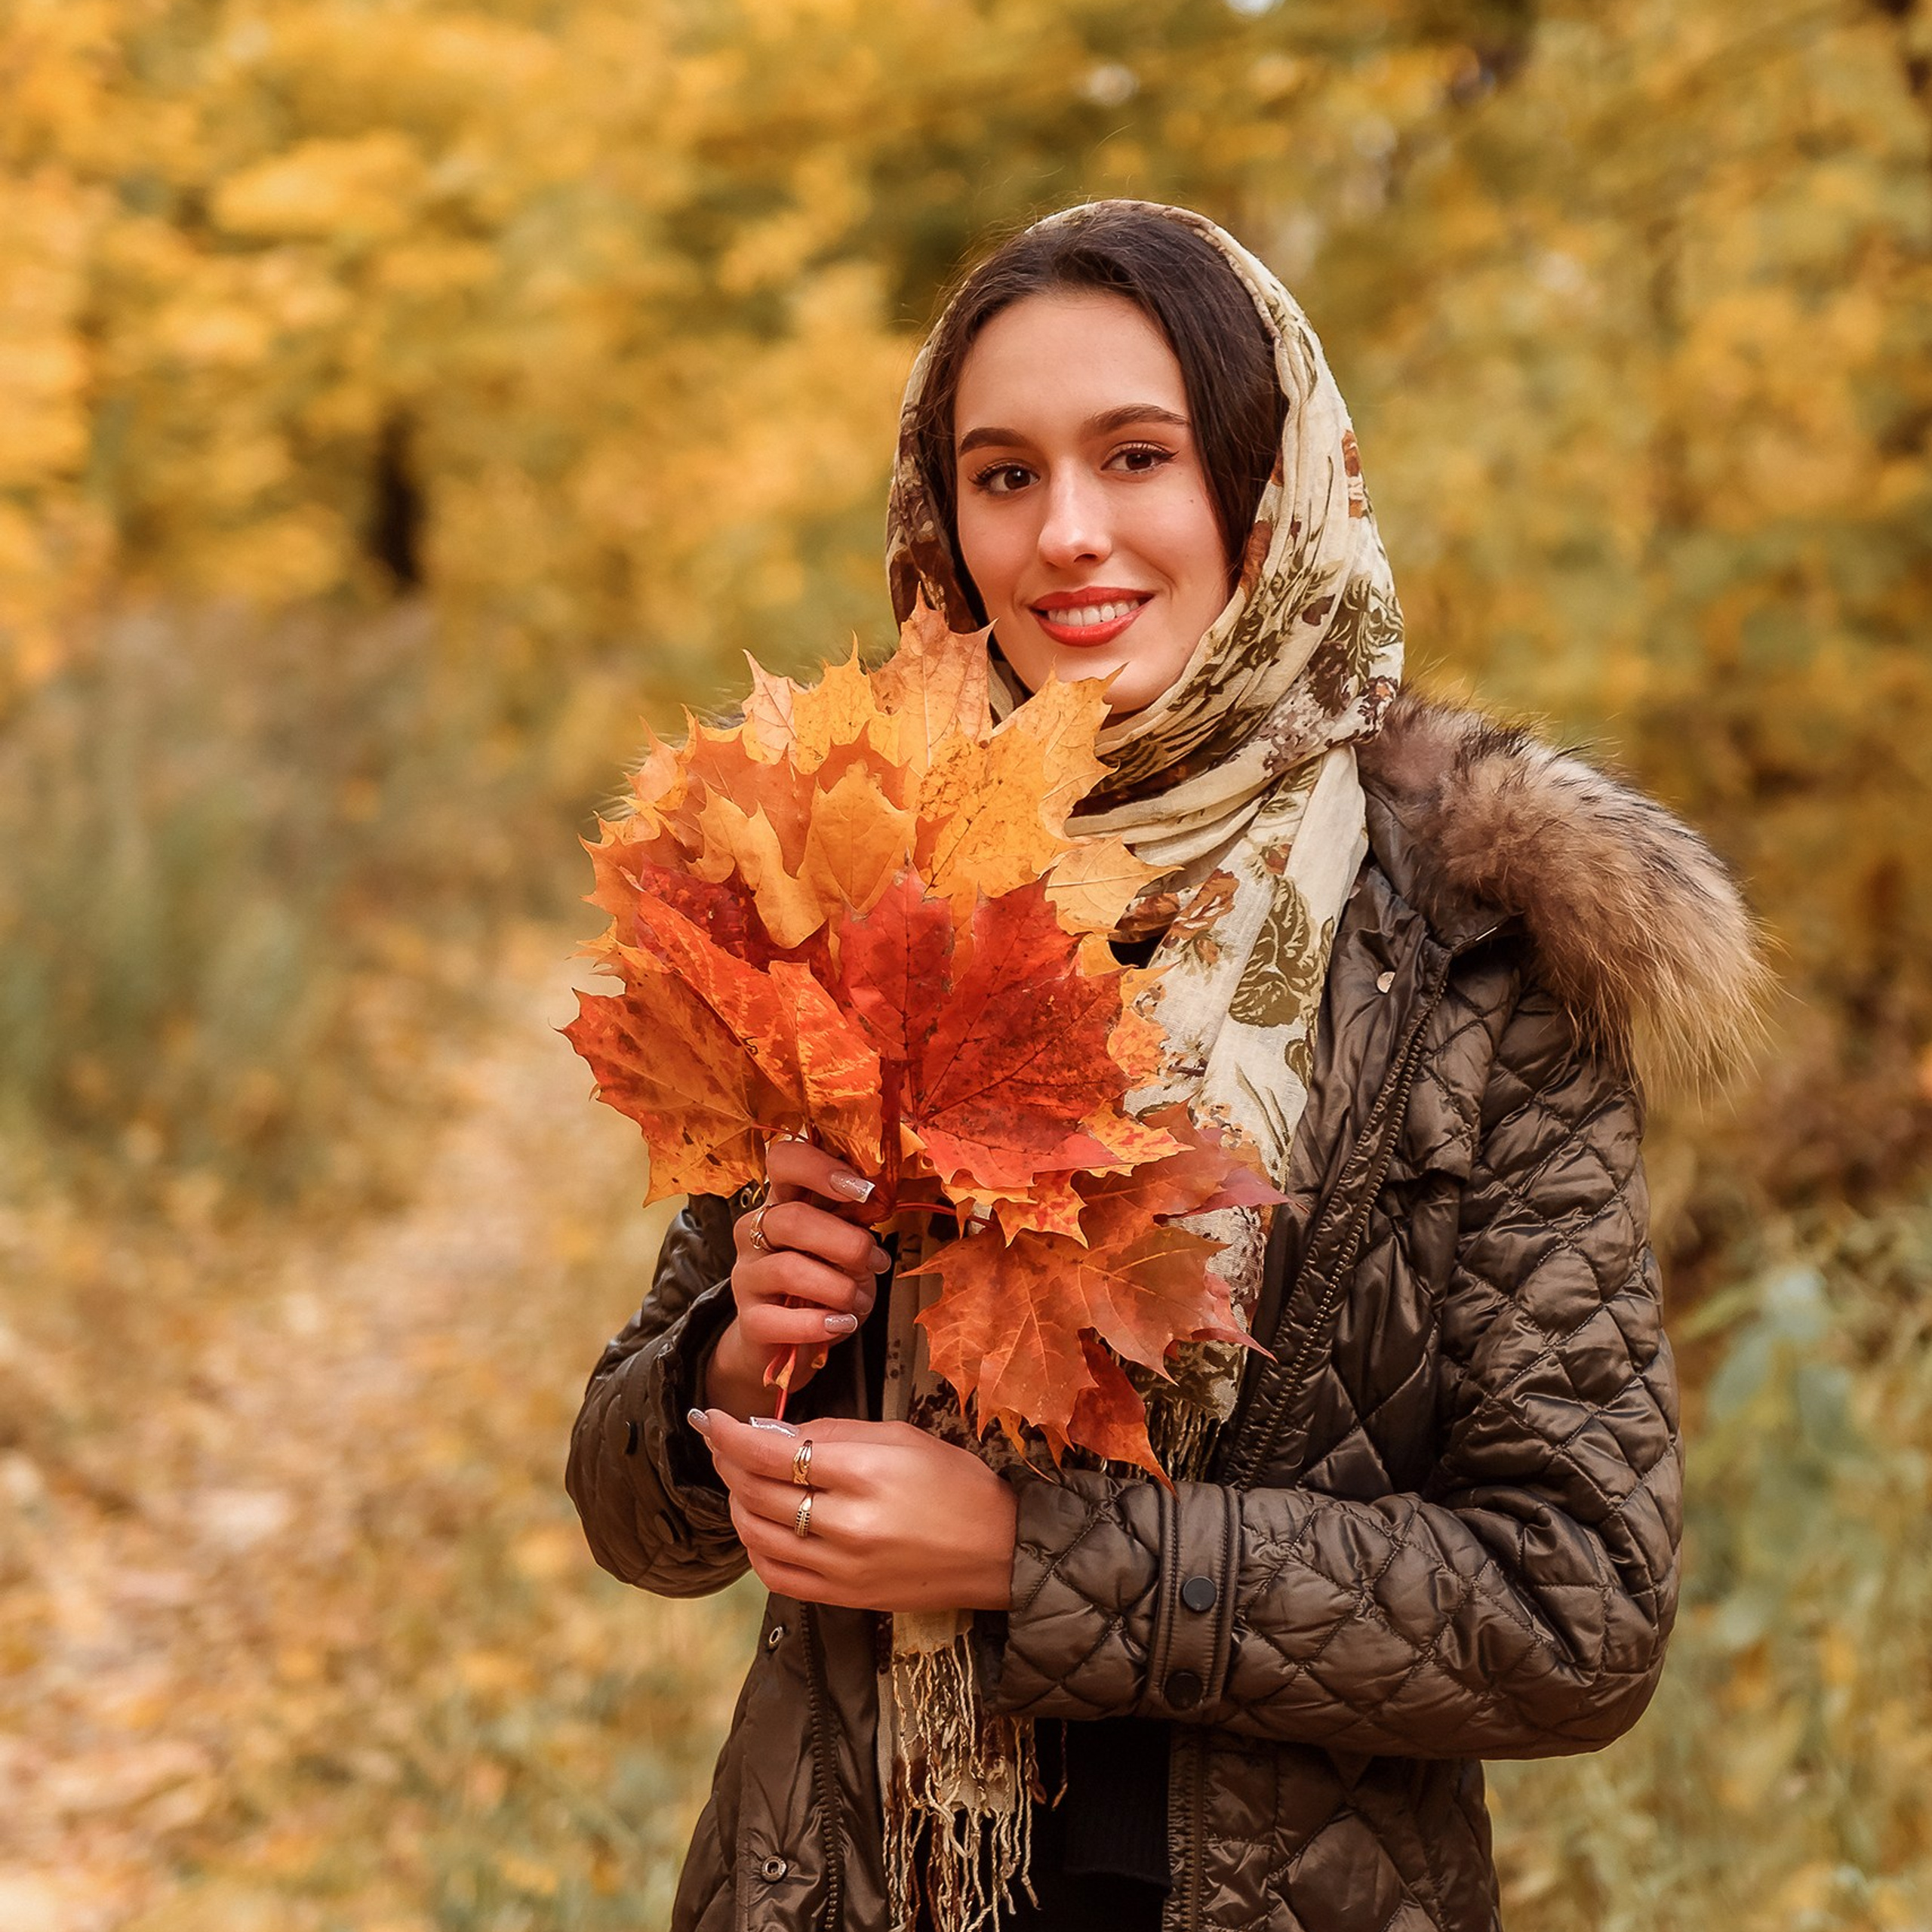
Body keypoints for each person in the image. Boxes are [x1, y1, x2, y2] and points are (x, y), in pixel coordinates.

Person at [565, 202, 1765, 1932]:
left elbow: (1574, 1606)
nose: (1066, 534)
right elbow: (631, 1507)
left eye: (1136, 455)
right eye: (1001, 474)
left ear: (1266, 487)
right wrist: (738, 1349)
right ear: (940, 515)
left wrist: (1020, 1559)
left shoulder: (1465, 947)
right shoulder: (862, 875)